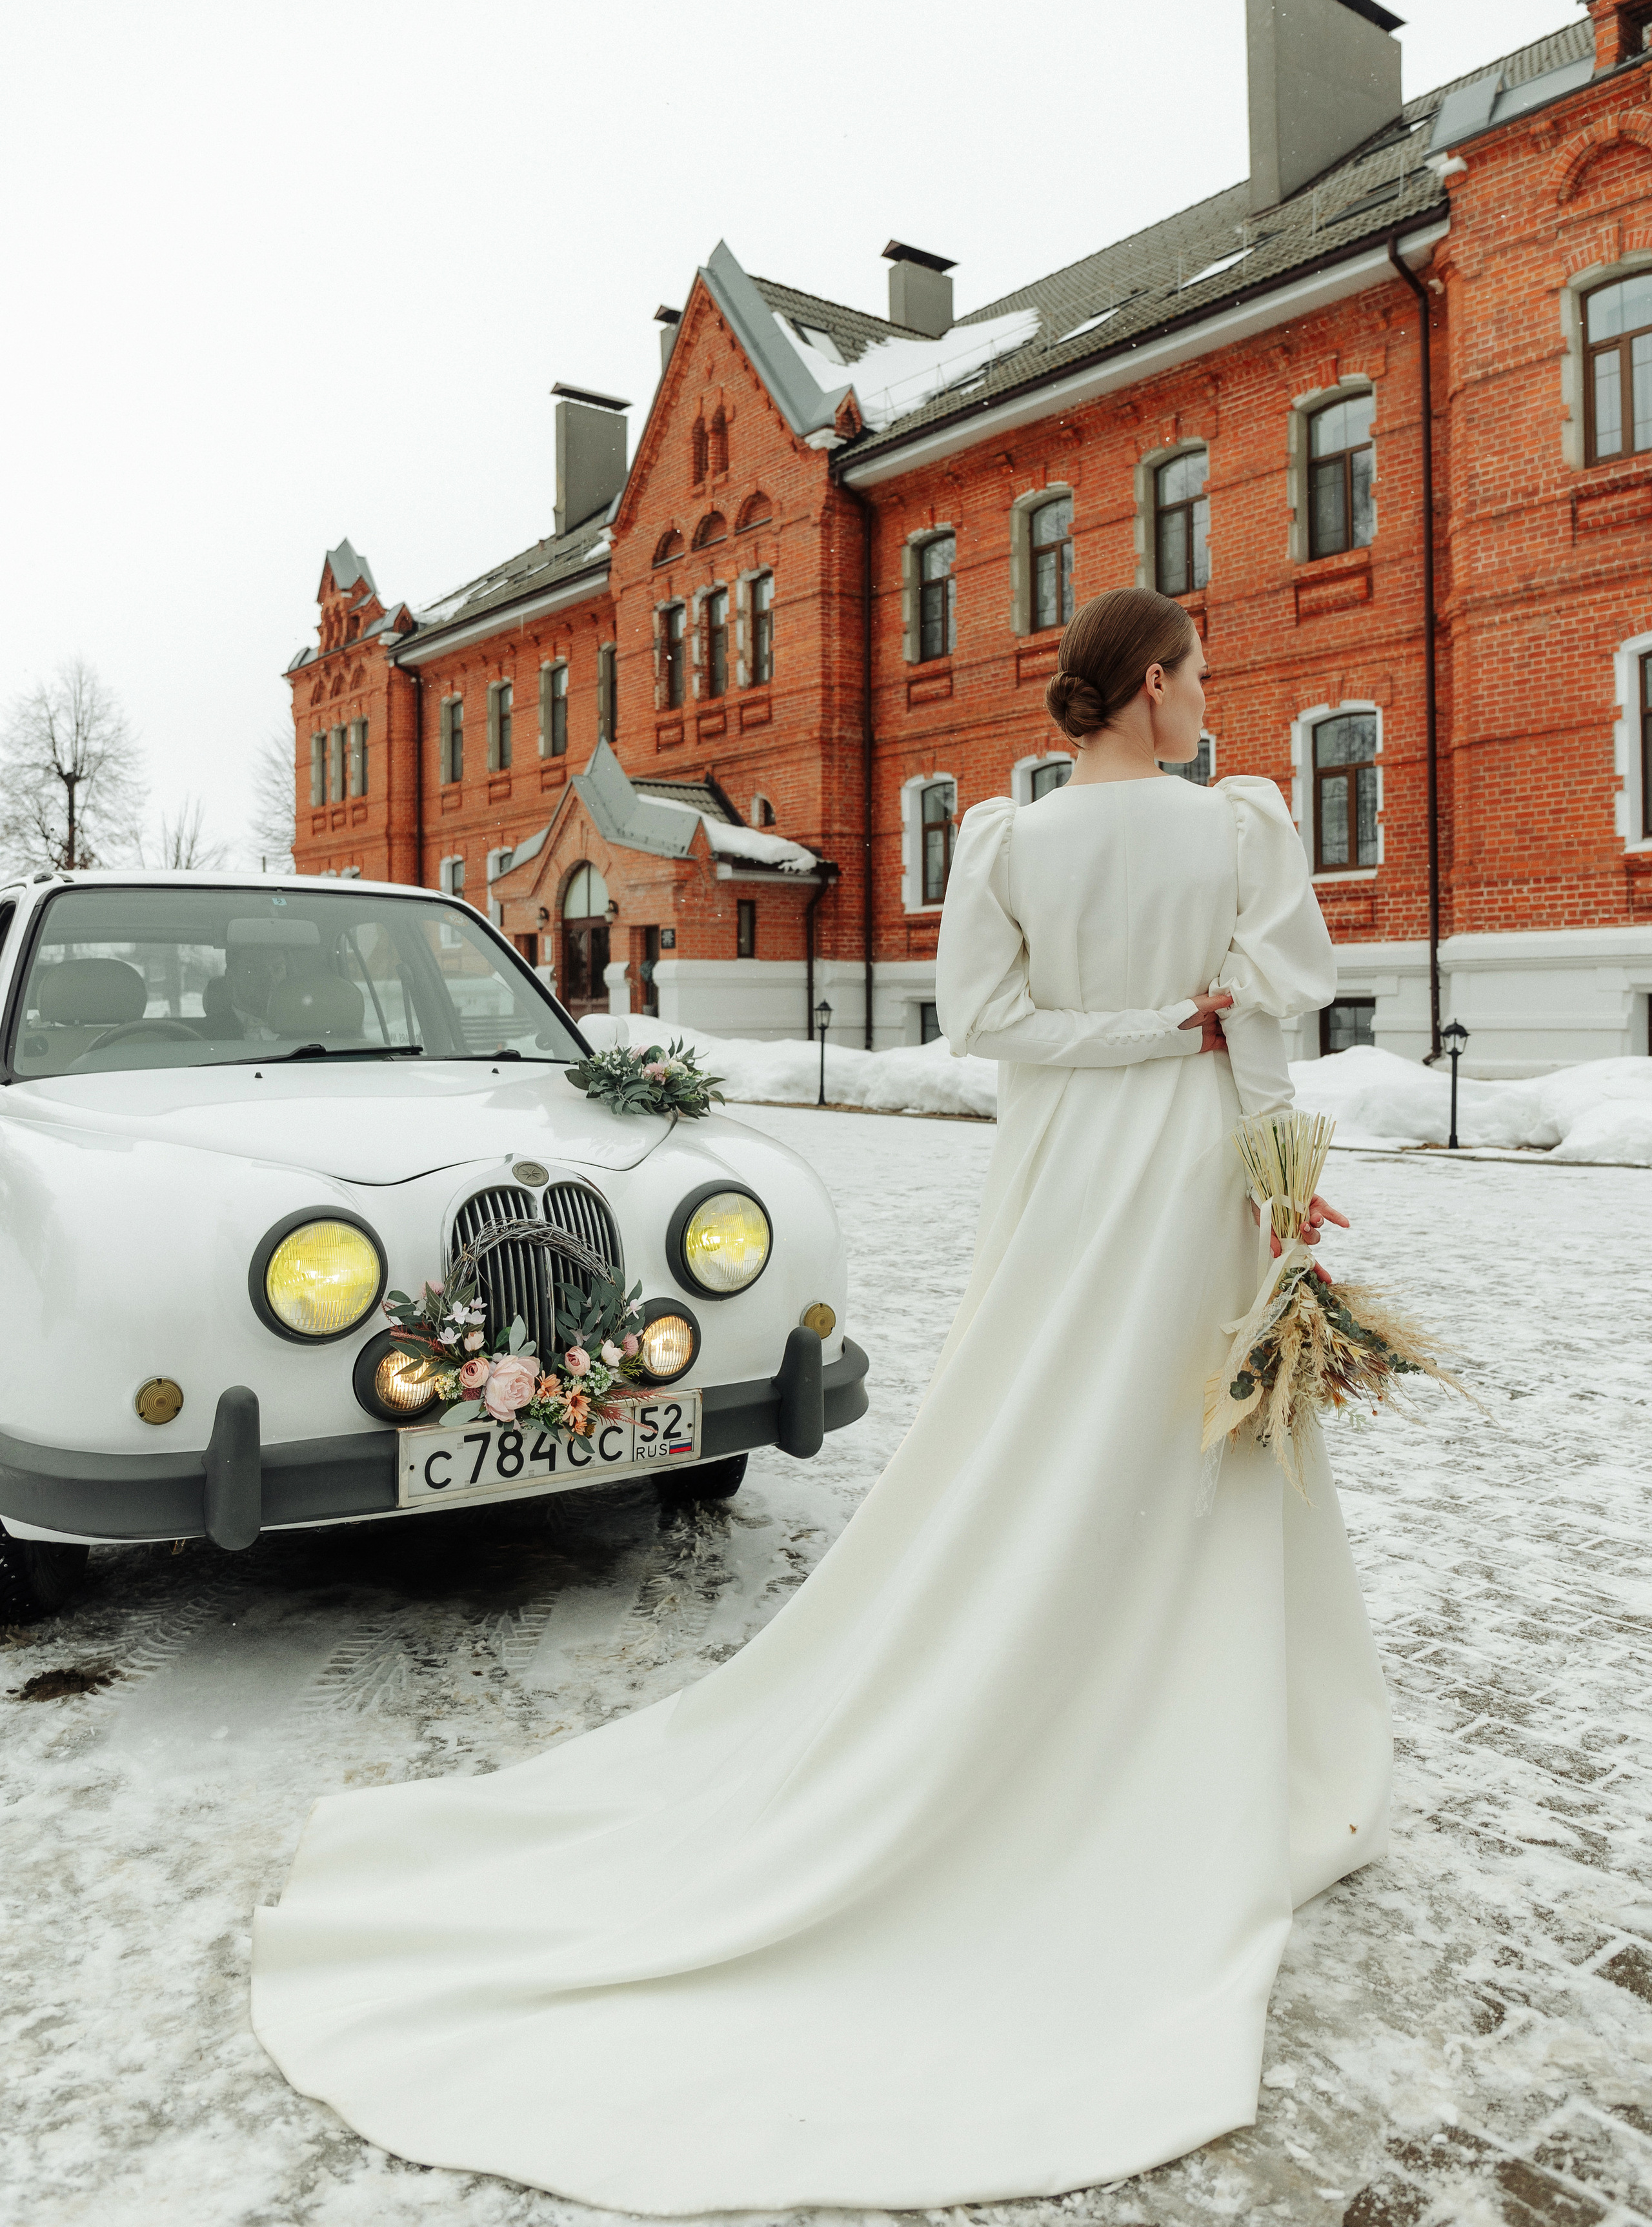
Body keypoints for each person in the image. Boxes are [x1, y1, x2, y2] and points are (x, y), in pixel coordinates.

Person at [251, 589, 1391, 2212]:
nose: (1210, 698)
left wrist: (1133, 1033)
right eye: (1197, 672)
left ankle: (1045, 1667)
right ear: (1151, 686)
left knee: (1036, 1423)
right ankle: (1195, 1733)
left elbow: (983, 1023)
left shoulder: (1006, 839)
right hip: (1193, 1166)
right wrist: (1277, 1183)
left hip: (1063, 1176)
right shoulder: (1240, 830)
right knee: (1193, 1445)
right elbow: (1263, 1034)